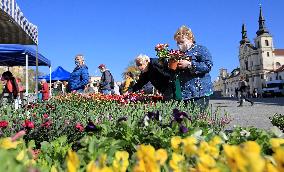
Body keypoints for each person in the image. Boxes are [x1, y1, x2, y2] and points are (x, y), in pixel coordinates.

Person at [172, 25, 214, 111]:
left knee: (197, 118)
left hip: (199, 92)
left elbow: (208, 65)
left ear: (190, 38)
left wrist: (190, 64)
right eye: (178, 43)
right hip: (185, 93)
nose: (180, 45)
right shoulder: (179, 54)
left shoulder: (200, 49)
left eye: (182, 42)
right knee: (186, 119)